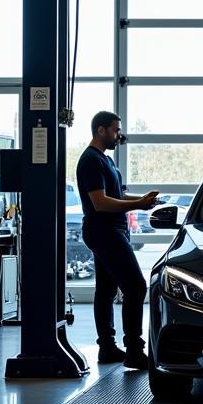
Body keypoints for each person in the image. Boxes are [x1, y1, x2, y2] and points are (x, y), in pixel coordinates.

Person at [76, 111, 161, 368]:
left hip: (113, 230)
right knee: (135, 287)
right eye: (115, 130)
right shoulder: (91, 160)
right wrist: (137, 204)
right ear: (101, 130)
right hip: (104, 231)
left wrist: (142, 201)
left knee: (106, 290)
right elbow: (100, 203)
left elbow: (117, 195)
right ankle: (134, 350)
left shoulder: (106, 160)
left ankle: (107, 348)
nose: (119, 135)